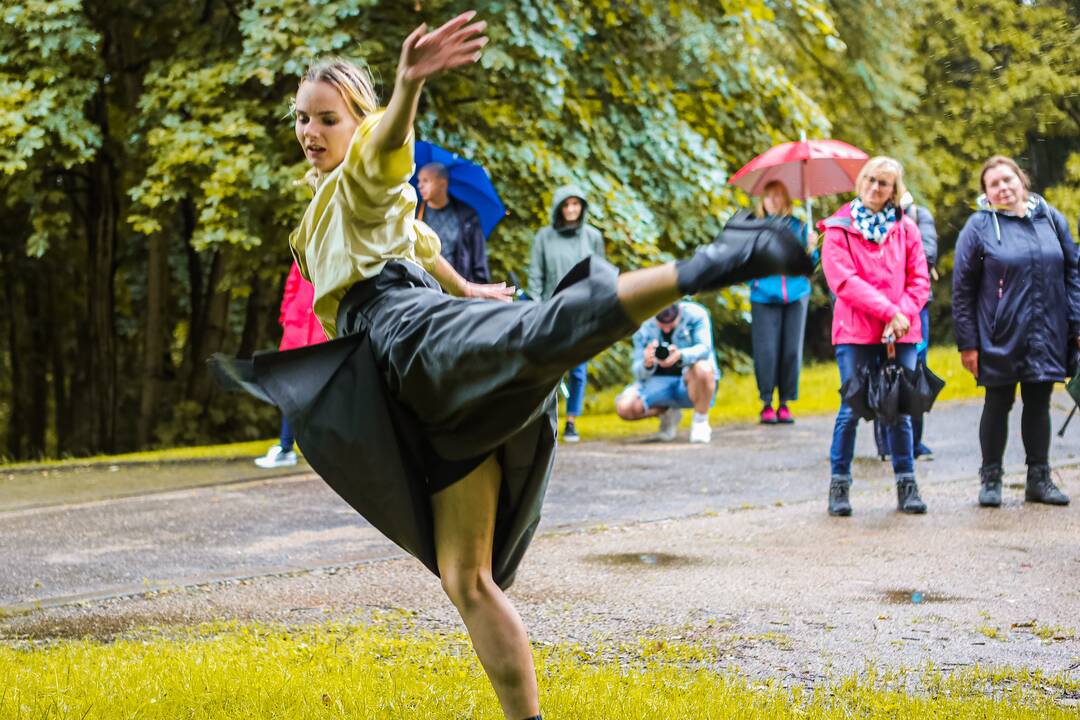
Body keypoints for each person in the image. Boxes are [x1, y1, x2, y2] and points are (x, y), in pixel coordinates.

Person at [211, 13, 810, 719]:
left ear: (357, 122)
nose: (311, 132)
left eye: (327, 120)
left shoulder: (363, 172)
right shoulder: (328, 202)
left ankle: (712, 263)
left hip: (405, 331)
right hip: (401, 379)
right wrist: (466, 287)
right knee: (466, 580)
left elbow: (387, 150)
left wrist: (407, 88)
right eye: (302, 119)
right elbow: (420, 242)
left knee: (537, 334)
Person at [952, 155, 1078, 508]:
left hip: (1048, 330)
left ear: (1022, 180)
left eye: (1008, 180)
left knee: (1039, 404)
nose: (1003, 188)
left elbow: (1073, 273)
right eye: (994, 184)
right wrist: (968, 344)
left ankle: (1039, 479)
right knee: (998, 403)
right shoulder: (978, 227)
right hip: (999, 334)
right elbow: (962, 290)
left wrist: (1077, 324)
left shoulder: (1051, 220)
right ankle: (990, 478)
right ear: (987, 194)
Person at [820, 156, 930, 517]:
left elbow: (919, 281)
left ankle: (906, 483)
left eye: (883, 183)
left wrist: (901, 316)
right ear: (860, 181)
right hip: (856, 332)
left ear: (893, 191)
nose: (874, 187)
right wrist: (889, 312)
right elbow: (844, 282)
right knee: (850, 410)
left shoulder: (906, 228)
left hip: (902, 331)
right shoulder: (838, 228)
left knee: (900, 409)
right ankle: (839, 484)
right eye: (869, 179)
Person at [527, 185, 606, 443]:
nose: (572, 209)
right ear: (559, 208)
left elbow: (600, 272)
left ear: (582, 207)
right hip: (552, 308)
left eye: (576, 204)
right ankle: (544, 418)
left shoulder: (592, 237)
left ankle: (571, 421)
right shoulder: (544, 237)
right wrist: (537, 306)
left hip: (582, 309)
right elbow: (536, 274)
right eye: (567, 204)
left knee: (578, 369)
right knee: (548, 366)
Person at [873, 192, 939, 459]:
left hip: (915, 307)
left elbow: (928, 255)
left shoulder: (919, 216)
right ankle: (886, 445)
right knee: (884, 374)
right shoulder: (867, 220)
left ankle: (914, 443)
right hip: (880, 307)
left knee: (913, 372)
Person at [748, 181, 818, 425]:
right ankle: (766, 402)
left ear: (787, 199)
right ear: (763, 201)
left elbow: (811, 266)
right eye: (770, 196)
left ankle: (785, 402)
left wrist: (812, 248)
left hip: (796, 294)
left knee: (791, 350)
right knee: (767, 350)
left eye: (779, 196)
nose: (775, 200)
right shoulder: (755, 229)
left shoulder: (799, 228)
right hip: (764, 295)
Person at [254, 261, 327, 468]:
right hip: (297, 332)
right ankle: (286, 448)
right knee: (289, 393)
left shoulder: (334, 247)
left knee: (319, 394)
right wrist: (287, 316)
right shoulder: (304, 247)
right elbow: (292, 284)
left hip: (320, 335)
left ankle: (313, 449)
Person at [615, 302, 718, 443]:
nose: (667, 330)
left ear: (679, 313)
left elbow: (705, 349)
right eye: (662, 326)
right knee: (624, 407)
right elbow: (637, 372)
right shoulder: (643, 322)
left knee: (703, 368)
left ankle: (700, 422)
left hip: (688, 382)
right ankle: (668, 414)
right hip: (657, 383)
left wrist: (680, 355)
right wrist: (646, 363)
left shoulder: (696, 314)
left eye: (671, 325)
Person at [416, 162, 490, 283]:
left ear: (442, 184)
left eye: (426, 181)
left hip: (456, 293)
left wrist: (477, 292)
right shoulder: (414, 213)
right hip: (422, 289)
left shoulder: (468, 216)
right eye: (419, 181)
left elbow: (479, 264)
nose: (420, 186)